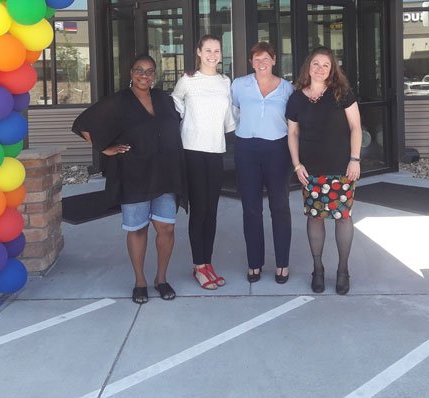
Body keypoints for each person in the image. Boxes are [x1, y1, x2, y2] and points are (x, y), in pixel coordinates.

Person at [71, 54, 186, 304]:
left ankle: (161, 279)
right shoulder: (118, 101)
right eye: (139, 70)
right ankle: (140, 281)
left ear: (155, 75)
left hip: (164, 174)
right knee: (138, 228)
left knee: (166, 228)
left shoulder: (164, 100)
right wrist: (105, 149)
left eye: (149, 71)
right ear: (131, 73)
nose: (144, 75)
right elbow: (83, 124)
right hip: (134, 174)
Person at [286, 47, 362, 295]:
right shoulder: (296, 98)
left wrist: (355, 159)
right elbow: (292, 133)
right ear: (308, 67)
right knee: (315, 217)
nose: (320, 69)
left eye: (325, 65)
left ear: (332, 70)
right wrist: (297, 164)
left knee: (343, 217)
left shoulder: (342, 93)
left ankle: (343, 270)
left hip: (341, 167)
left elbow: (356, 127)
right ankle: (317, 269)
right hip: (310, 169)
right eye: (316, 64)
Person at [171, 35, 236, 290]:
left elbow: (230, 117)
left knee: (211, 211)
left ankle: (207, 263)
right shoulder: (188, 80)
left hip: (215, 151)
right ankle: (199, 266)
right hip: (192, 151)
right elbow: (174, 106)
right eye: (208, 50)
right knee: (198, 211)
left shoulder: (225, 82)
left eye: (217, 50)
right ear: (199, 52)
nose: (212, 55)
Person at [231, 42, 294, 284]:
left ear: (274, 60)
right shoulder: (239, 85)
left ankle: (282, 264)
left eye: (265, 58)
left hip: (278, 150)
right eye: (256, 59)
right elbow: (234, 111)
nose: (261, 63)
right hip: (247, 150)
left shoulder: (287, 89)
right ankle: (254, 263)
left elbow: (293, 123)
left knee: (280, 207)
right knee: (251, 208)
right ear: (251, 62)